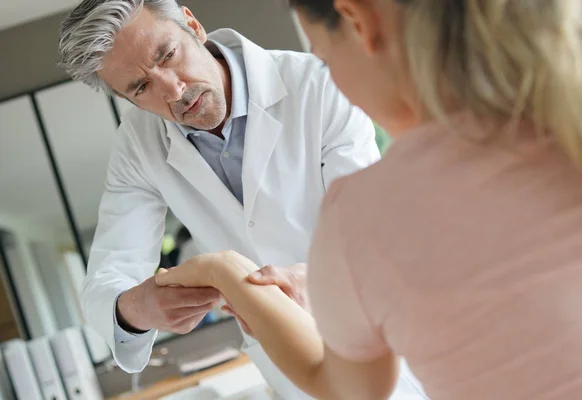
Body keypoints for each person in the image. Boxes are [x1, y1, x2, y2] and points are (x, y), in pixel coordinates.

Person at [156, 0, 582, 399]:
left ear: (357, 20)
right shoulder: (578, 122)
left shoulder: (363, 215)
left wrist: (227, 272)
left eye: (326, 59)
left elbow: (341, 386)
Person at [57, 1, 387, 398]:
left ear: (193, 26)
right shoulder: (137, 147)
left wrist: (314, 281)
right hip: (293, 374)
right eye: (141, 87)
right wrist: (138, 308)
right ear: (127, 100)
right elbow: (106, 277)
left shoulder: (315, 84)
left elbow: (374, 227)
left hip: (388, 333)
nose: (175, 90)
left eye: (168, 55)